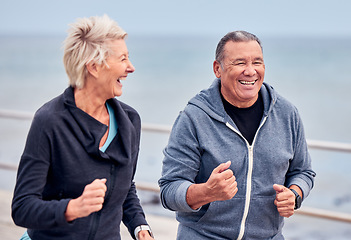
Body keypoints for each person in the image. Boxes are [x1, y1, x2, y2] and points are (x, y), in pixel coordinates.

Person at [158, 31, 316, 239]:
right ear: (218, 69)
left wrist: (295, 194)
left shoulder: (287, 114)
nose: (250, 71)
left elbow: (303, 171)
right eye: (240, 63)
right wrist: (206, 192)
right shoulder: (194, 117)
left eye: (257, 62)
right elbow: (169, 190)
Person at [12, 15, 154, 240]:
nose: (131, 68)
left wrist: (140, 226)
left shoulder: (130, 120)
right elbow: (22, 208)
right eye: (123, 59)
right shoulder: (49, 121)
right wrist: (73, 208)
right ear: (94, 67)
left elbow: (125, 187)